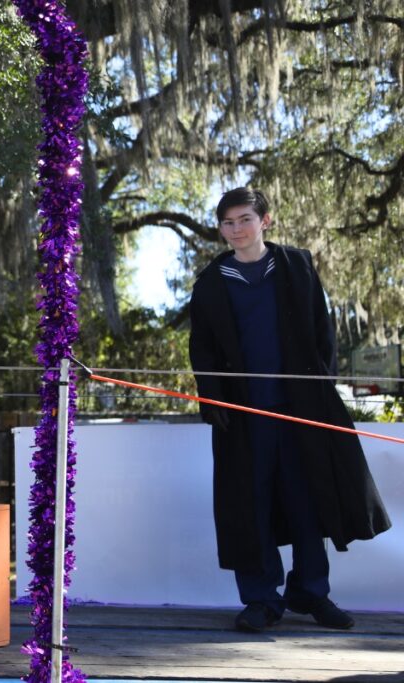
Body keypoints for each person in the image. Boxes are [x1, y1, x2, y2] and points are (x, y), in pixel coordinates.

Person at [189, 187, 391, 633]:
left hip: (300, 409)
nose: (237, 229)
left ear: (266, 221)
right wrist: (211, 398)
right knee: (251, 504)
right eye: (228, 222)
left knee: (308, 500)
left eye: (245, 219)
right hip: (243, 418)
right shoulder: (211, 283)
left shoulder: (296, 265)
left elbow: (323, 332)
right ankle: (261, 599)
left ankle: (311, 591)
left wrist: (321, 387)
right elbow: (201, 348)